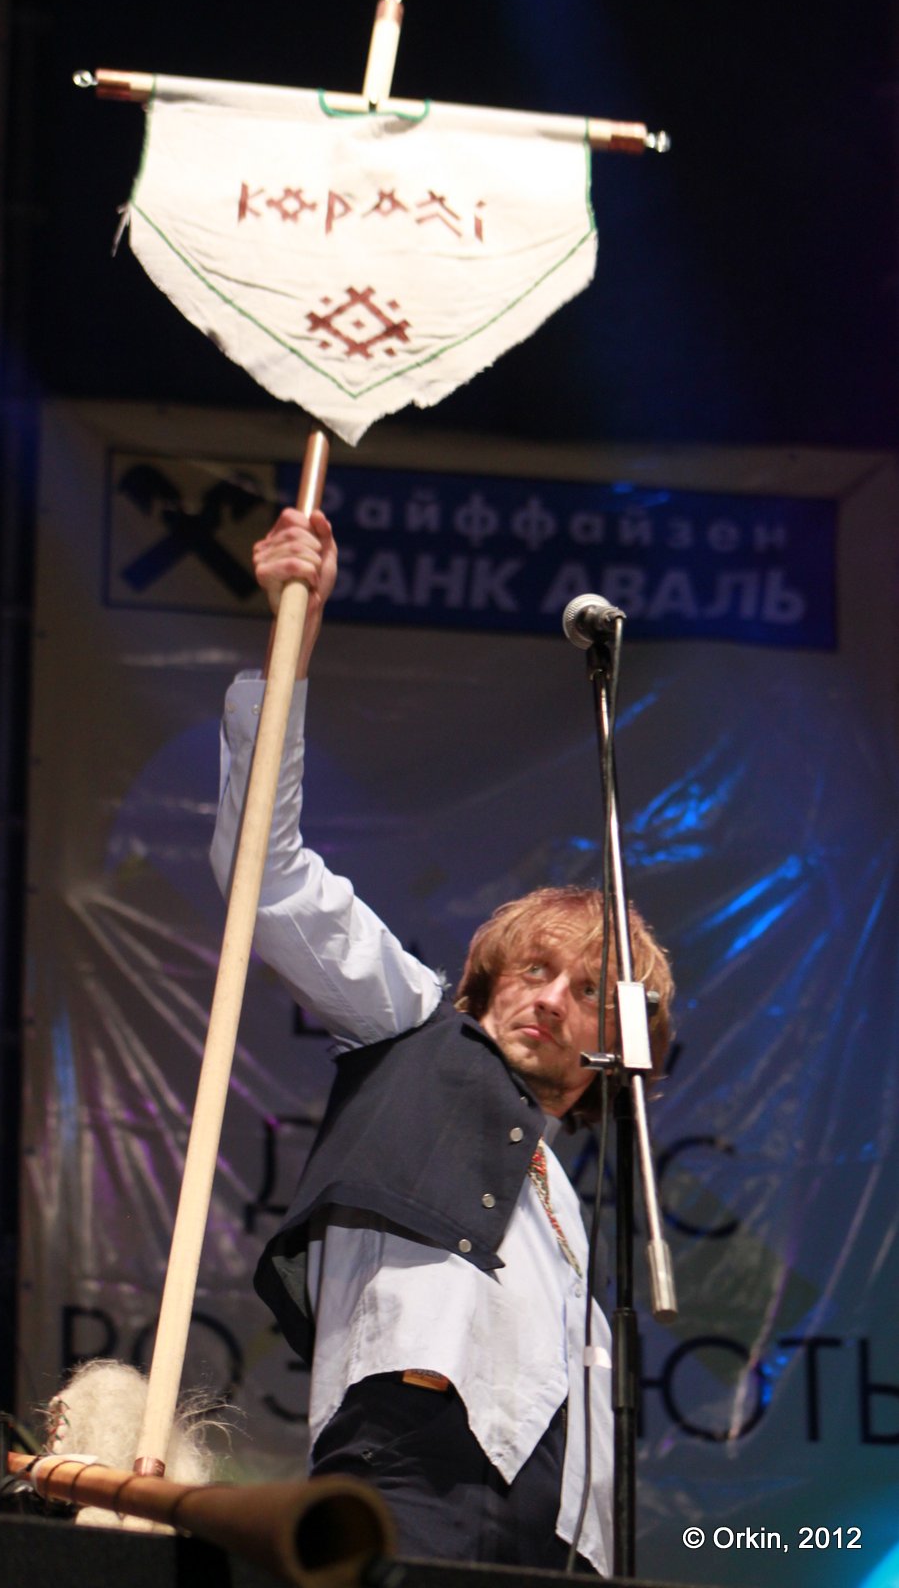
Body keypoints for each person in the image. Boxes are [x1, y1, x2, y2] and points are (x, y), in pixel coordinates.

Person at [210, 507, 674, 1574]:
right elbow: (267, 879)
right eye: (532, 970)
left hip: (560, 1532)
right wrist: (292, 634)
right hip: (419, 1469)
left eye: (586, 991)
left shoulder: (569, 1202)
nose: (548, 1000)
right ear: (487, 981)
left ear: (614, 1038)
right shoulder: (414, 1022)